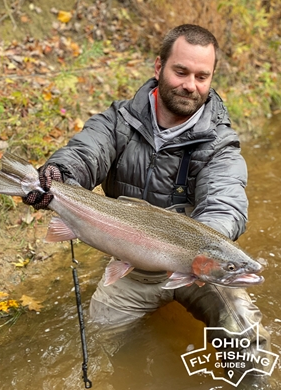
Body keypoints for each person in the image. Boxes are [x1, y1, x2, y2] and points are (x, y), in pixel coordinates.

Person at [24, 24, 272, 385]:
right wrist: (58, 175)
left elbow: (226, 200)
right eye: (181, 71)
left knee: (245, 334)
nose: (191, 85)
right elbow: (85, 153)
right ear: (159, 67)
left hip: (202, 267)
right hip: (134, 262)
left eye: (202, 76)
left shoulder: (220, 143)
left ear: (211, 78)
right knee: (105, 339)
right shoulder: (117, 122)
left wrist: (207, 249)